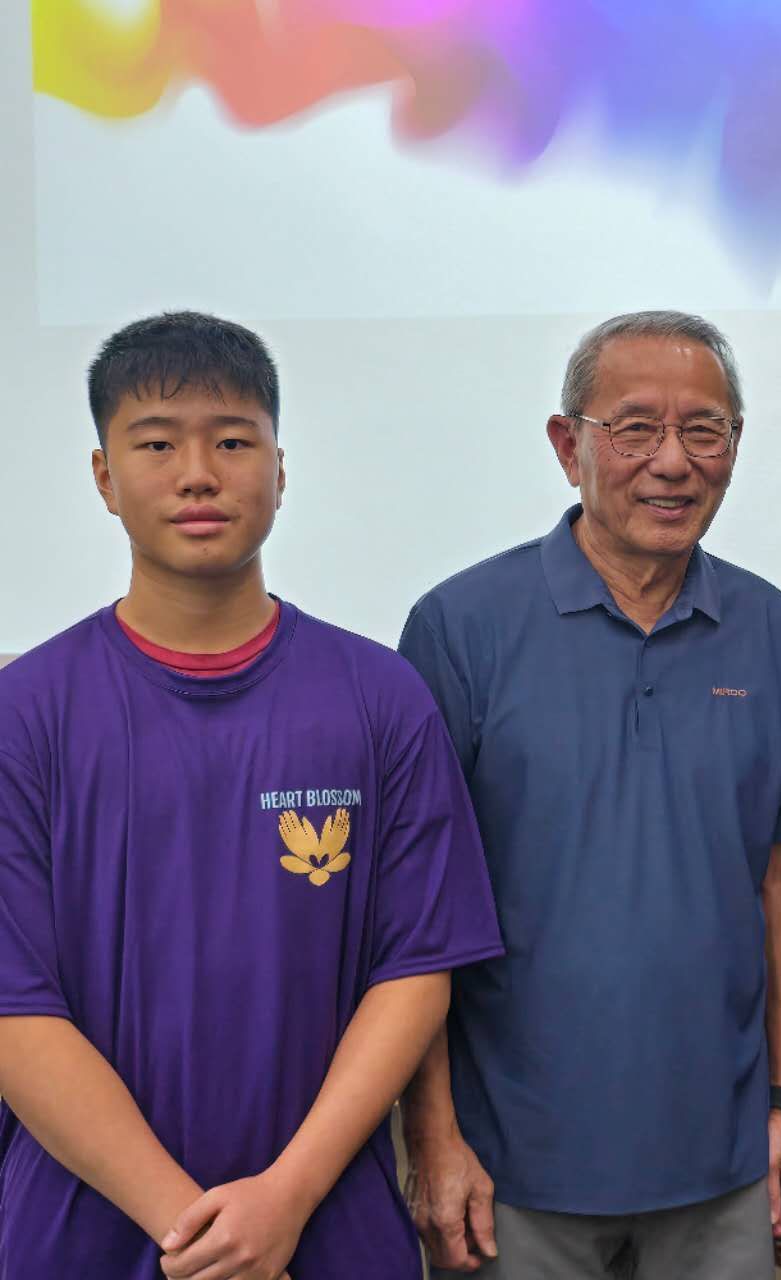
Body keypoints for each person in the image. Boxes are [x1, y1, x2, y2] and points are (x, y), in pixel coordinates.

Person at [0, 311, 503, 1280]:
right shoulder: (26, 714)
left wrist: (285, 1199)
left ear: (280, 468)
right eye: (157, 444)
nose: (199, 474)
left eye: (233, 442)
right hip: (80, 1224)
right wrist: (198, 1232)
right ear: (103, 476)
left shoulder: (379, 697)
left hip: (324, 1218)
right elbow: (15, 1009)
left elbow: (414, 972)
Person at [397, 310, 781, 1280]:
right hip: (511, 1165)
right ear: (569, 447)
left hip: (723, 1160)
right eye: (635, 428)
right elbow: (417, 910)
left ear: (735, 446)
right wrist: (431, 1133)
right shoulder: (459, 627)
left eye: (704, 430)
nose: (672, 462)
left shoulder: (773, 631)